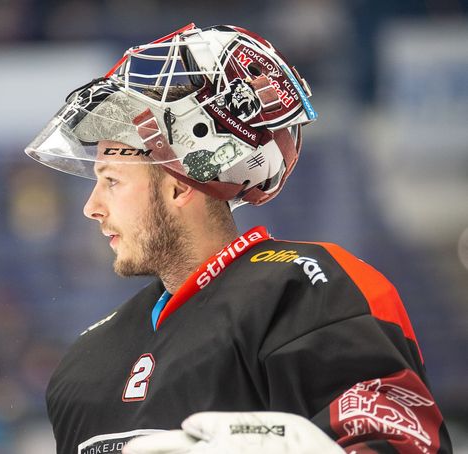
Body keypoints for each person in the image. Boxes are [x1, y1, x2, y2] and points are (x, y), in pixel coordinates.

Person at [24, 23, 453, 453]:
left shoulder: (307, 289)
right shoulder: (83, 364)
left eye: (112, 181)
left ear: (180, 183)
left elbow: (401, 441)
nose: (92, 207)